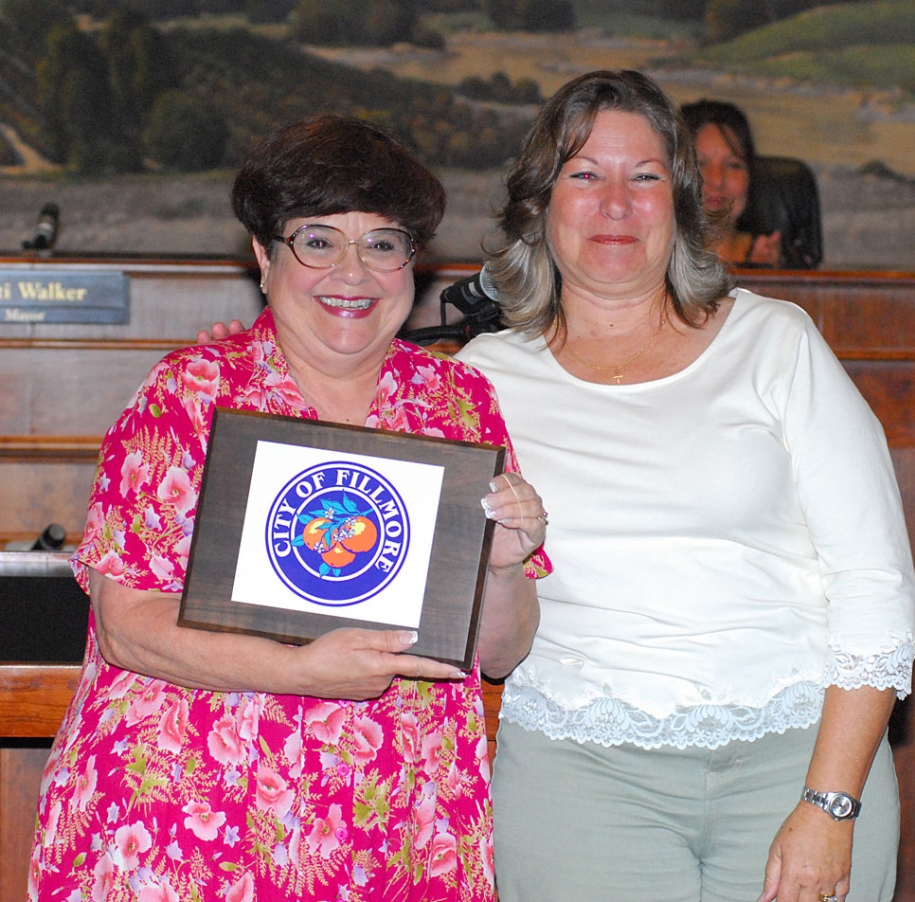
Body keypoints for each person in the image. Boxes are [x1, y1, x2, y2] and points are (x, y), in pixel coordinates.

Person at [27, 114, 549, 902]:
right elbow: (127, 624)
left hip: (398, 834)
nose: (353, 271)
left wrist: (504, 567)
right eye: (318, 240)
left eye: (382, 243)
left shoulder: (459, 404)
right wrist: (302, 672)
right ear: (264, 257)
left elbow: (500, 654)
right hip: (188, 827)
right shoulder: (192, 394)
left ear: (414, 262)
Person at [453, 70, 915, 902]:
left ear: (683, 203)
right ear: (540, 205)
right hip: (578, 779)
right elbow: (484, 638)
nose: (617, 205)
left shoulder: (775, 342)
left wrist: (830, 801)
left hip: (799, 760)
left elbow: (875, 581)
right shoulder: (482, 379)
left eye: (646, 177)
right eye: (584, 175)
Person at [680, 98, 784, 267]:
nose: (717, 180)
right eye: (700, 164)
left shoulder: (774, 257)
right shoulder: (650, 261)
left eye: (733, 165)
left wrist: (765, 279)